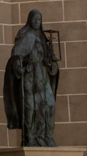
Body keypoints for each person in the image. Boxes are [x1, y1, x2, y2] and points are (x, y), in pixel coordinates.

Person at [3, 9, 59, 146]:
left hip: (42, 75)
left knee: (49, 104)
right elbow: (16, 57)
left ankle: (47, 136)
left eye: (39, 20)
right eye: (34, 19)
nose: (37, 22)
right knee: (30, 107)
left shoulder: (43, 38)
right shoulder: (25, 35)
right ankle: (30, 138)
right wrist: (20, 68)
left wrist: (51, 64)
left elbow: (51, 60)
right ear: (30, 20)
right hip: (29, 76)